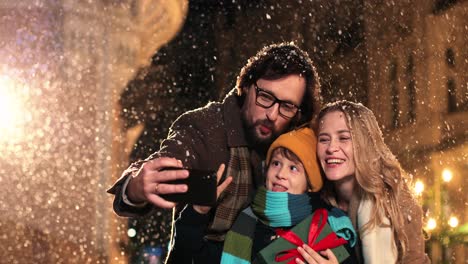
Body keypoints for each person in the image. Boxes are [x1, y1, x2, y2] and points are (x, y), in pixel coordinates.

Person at [107, 42, 322, 262]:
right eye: (266, 97)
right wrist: (136, 186)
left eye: (286, 106)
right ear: (247, 86)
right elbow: (165, 163)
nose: (273, 115)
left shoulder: (295, 143)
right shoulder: (205, 127)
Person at [174, 127, 357, 263]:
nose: (281, 174)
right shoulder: (247, 222)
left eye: (293, 168)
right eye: (276, 163)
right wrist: (198, 211)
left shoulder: (328, 225)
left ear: (310, 184)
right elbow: (193, 257)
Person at [298, 100, 430, 263]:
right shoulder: (314, 203)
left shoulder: (396, 202)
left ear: (364, 143)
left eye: (344, 138)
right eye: (324, 139)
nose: (331, 148)